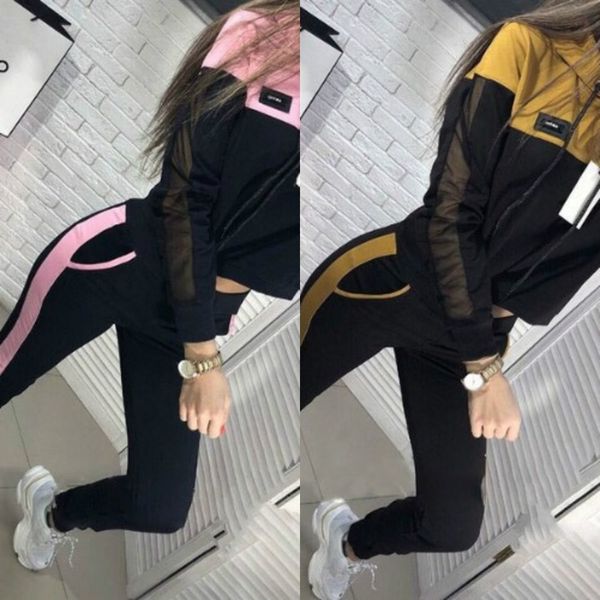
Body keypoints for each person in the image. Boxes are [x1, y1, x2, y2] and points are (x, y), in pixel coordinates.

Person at [302, 1, 600, 597]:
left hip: (474, 337)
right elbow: (449, 212)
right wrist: (484, 369)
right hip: (393, 285)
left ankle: (348, 540)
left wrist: (481, 354)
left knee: (453, 524)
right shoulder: (529, 48)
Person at [0, 0, 299, 571]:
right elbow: (187, 197)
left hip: (194, 319)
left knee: (159, 505)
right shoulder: (266, 32)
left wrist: (201, 342)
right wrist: (204, 358)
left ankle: (52, 513)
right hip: (121, 262)